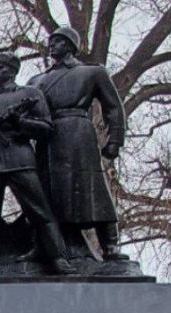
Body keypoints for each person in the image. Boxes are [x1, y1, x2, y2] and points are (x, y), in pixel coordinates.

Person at [0, 52, 75, 276]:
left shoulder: (29, 94)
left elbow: (46, 128)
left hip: (18, 158)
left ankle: (58, 258)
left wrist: (20, 121)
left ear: (12, 70)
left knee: (39, 210)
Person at [28, 27, 128, 260]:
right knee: (47, 192)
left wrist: (115, 139)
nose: (52, 45)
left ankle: (109, 245)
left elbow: (113, 107)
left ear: (71, 45)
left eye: (59, 41)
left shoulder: (92, 72)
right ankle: (48, 245)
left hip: (78, 133)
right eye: (51, 42)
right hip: (47, 137)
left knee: (93, 188)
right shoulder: (36, 81)